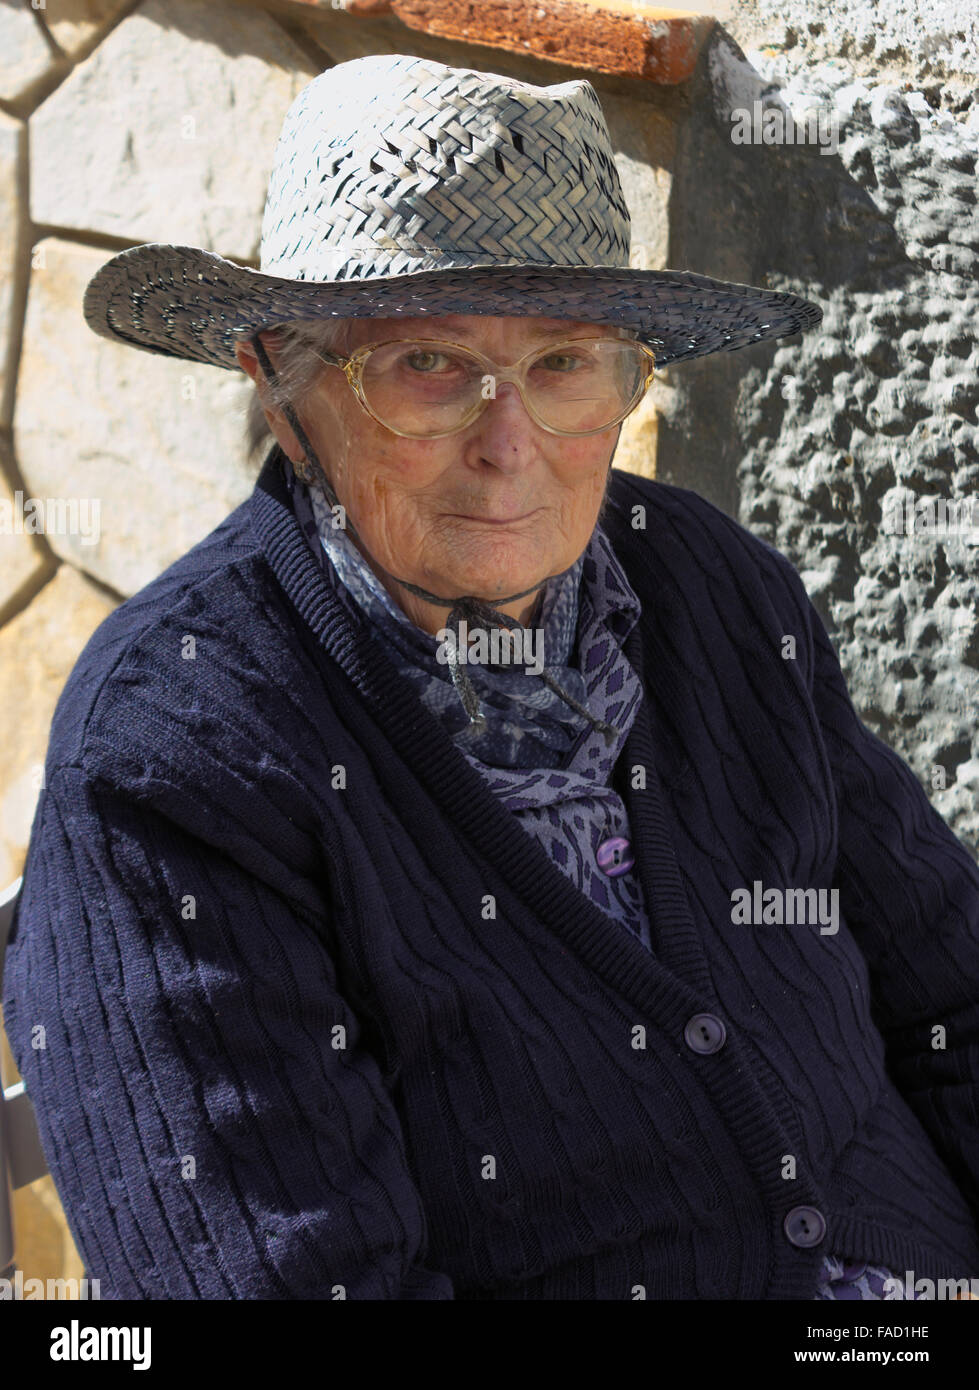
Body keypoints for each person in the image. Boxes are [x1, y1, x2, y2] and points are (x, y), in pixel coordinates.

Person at [3, 51, 979, 1301]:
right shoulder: (176, 748)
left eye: (565, 363)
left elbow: (951, 981)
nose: (508, 443)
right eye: (424, 365)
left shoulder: (713, 590)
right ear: (280, 378)